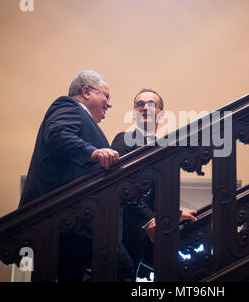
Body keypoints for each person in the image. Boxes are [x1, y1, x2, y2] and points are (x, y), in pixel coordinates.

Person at [19, 70, 132, 281]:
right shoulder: (67, 106)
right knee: (122, 269)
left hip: (78, 224)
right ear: (86, 92)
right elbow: (57, 134)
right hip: (63, 219)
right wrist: (94, 152)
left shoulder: (88, 122)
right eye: (106, 96)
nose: (109, 104)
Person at [111, 88, 197, 280]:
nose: (144, 107)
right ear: (134, 113)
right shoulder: (123, 139)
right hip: (124, 229)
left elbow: (156, 192)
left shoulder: (162, 147)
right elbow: (122, 186)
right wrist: (148, 220)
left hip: (146, 235)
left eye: (151, 104)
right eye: (139, 104)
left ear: (162, 113)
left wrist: (174, 213)